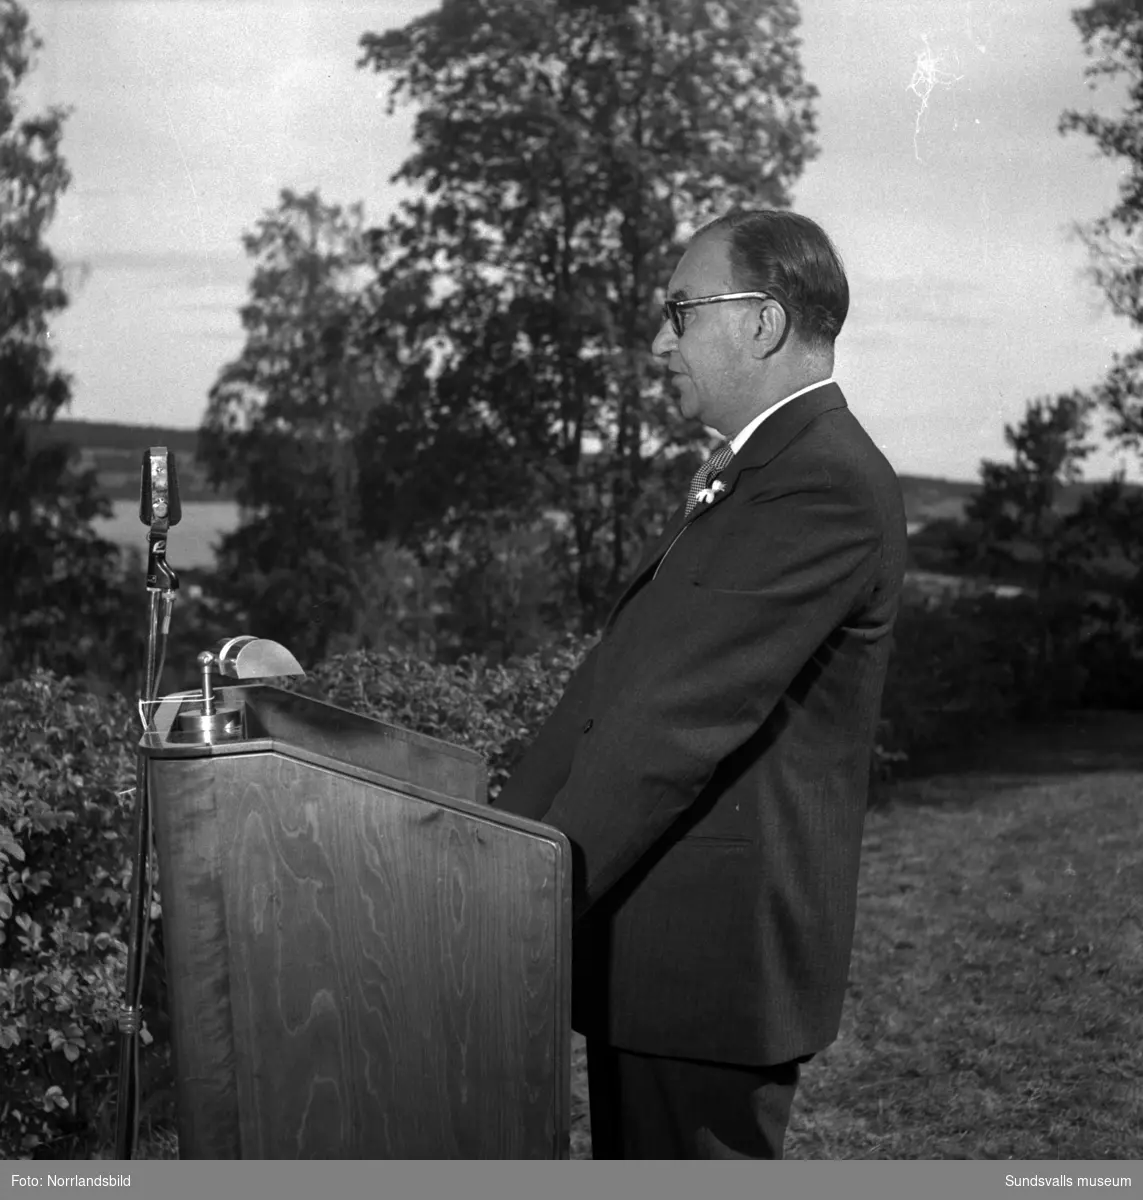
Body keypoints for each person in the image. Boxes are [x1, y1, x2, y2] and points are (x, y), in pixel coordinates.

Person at [493, 209, 907, 1160]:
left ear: (760, 323)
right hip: (658, 953)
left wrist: (519, 898)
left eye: (679, 312)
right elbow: (612, 689)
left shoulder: (821, 483)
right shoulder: (758, 473)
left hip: (710, 971)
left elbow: (667, 726)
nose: (657, 341)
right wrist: (503, 848)